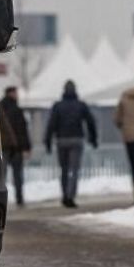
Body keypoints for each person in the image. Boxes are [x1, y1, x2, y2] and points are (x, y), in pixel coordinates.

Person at [44, 80, 97, 208]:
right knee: (74, 170)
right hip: (76, 140)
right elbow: (91, 122)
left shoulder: (58, 106)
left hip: (61, 140)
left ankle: (65, 195)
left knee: (64, 169)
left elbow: (51, 124)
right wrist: (93, 138)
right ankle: (70, 196)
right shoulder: (81, 105)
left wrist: (48, 141)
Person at [0, 86, 32, 207]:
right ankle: (19, 198)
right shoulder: (17, 110)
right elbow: (22, 130)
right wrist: (26, 147)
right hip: (16, 147)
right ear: (11, 93)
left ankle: (0, 199)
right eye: (16, 93)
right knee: (18, 174)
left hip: (2, 147)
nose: (17, 95)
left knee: (2, 175)